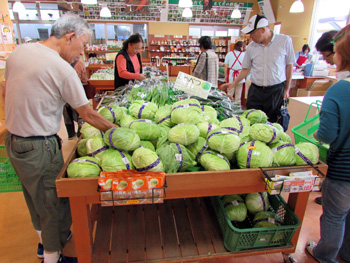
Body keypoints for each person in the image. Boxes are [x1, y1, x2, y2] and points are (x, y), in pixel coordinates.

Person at [3, 13, 116, 263]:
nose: (82, 53)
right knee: (52, 207)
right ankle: (54, 258)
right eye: (83, 45)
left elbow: (5, 90)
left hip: (14, 142)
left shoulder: (20, 52)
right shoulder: (61, 68)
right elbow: (87, 114)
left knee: (35, 201)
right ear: (70, 37)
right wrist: (119, 131)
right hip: (39, 145)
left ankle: (44, 246)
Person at [306, 25, 350, 263]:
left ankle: (325, 257)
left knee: (335, 216)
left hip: (345, 168)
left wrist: (316, 136)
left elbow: (327, 135)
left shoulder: (340, 90)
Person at [226, 14, 295, 123]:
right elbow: (246, 69)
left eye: (252, 33)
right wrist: (233, 83)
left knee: (272, 123)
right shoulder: (251, 48)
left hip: (275, 90)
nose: (251, 37)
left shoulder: (285, 41)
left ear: (263, 30)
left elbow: (289, 65)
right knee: (251, 121)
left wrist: (287, 89)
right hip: (256, 90)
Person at [63, 58, 88, 139]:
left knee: (66, 112)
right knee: (79, 112)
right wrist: (85, 82)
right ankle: (80, 133)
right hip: (76, 90)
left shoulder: (61, 61)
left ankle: (70, 134)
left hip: (63, 91)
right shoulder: (79, 62)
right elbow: (84, 77)